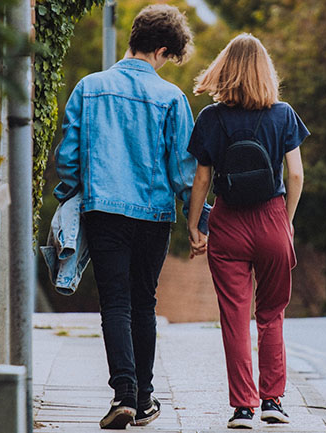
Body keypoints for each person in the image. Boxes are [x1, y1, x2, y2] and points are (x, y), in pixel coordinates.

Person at [53, 5, 209, 429]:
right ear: (161, 50)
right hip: (154, 217)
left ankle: (123, 393)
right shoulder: (171, 99)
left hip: (103, 211)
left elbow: (68, 159)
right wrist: (200, 220)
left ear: (132, 39)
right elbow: (184, 171)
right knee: (144, 301)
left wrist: (71, 197)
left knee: (115, 303)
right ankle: (144, 399)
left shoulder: (89, 88)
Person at [186, 33, 309, 429]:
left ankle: (243, 408)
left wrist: (194, 224)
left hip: (228, 222)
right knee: (271, 314)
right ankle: (273, 400)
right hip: (272, 217)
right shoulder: (283, 114)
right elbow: (295, 174)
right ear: (265, 72)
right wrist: (285, 221)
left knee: (234, 317)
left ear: (225, 69)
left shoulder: (211, 118)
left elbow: (202, 178)